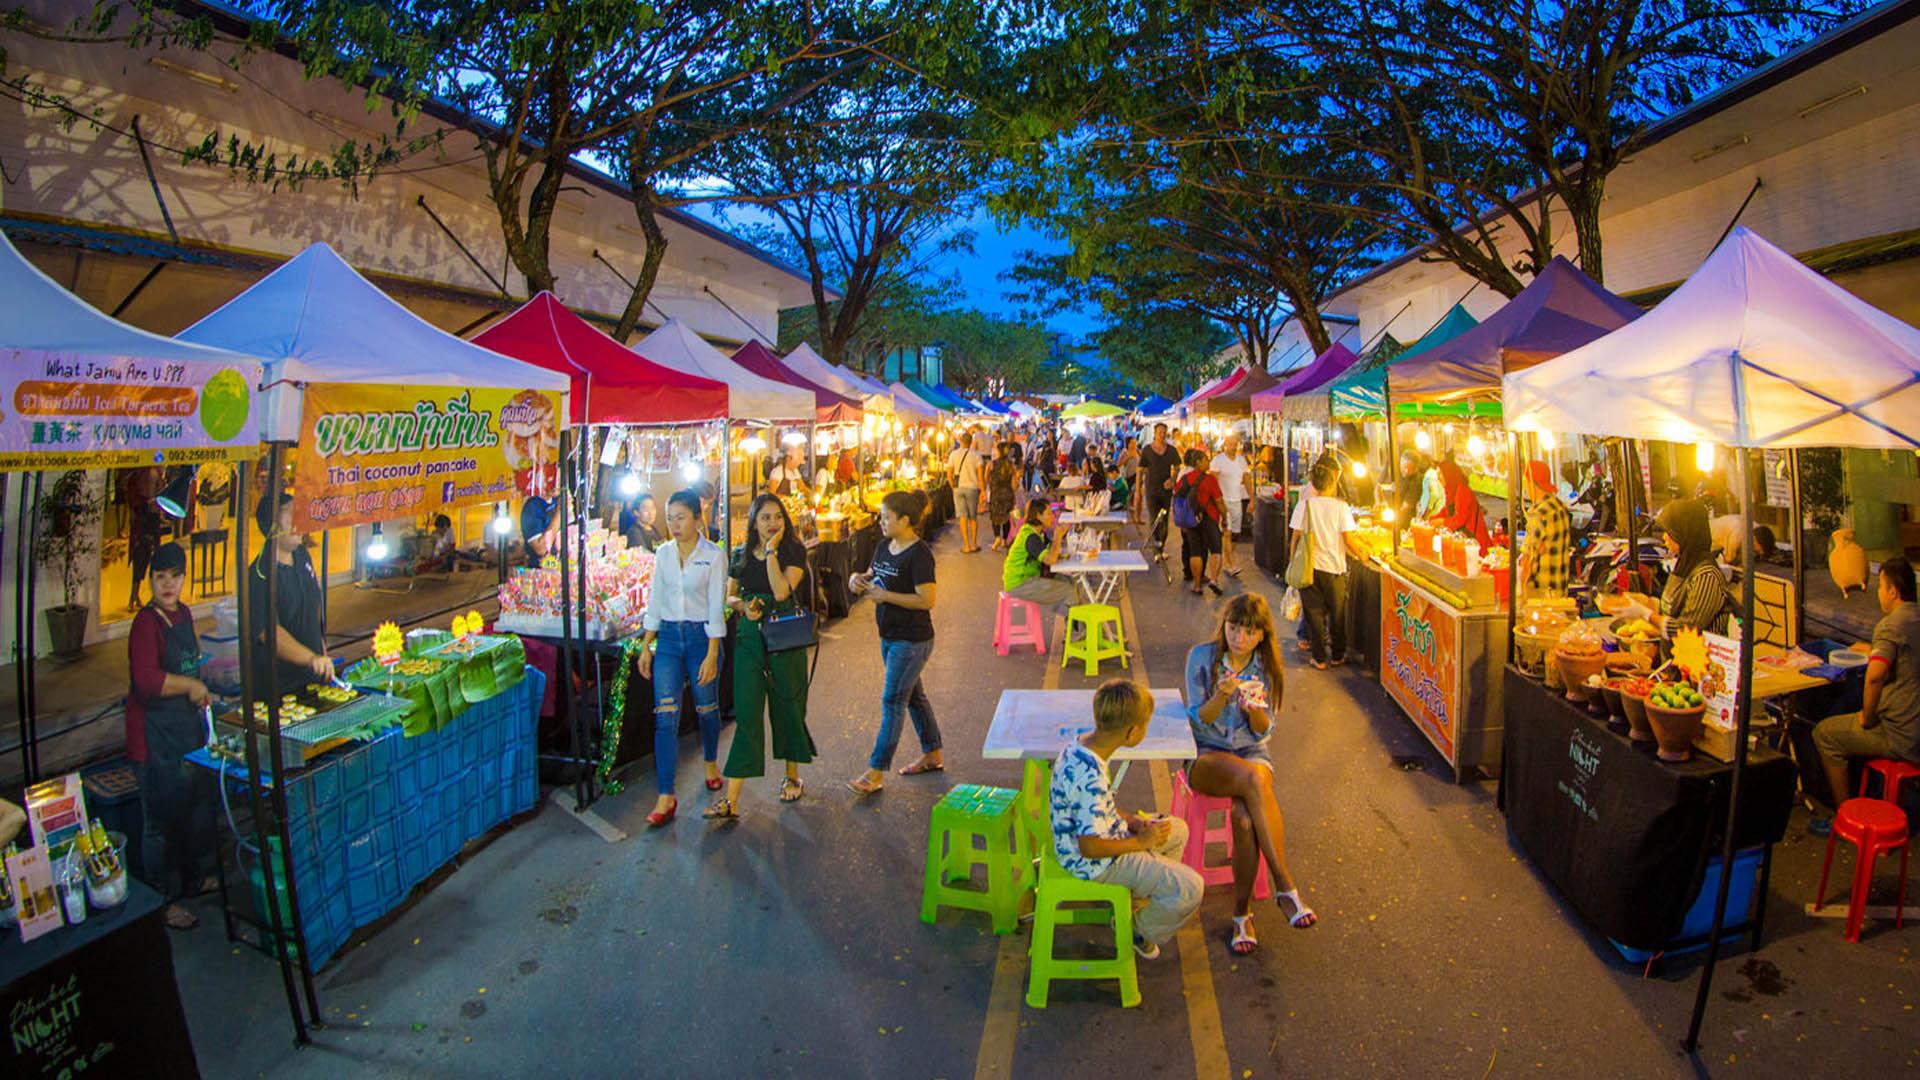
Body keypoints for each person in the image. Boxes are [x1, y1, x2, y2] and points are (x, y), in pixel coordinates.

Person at [1183, 594, 1317, 952]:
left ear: (1261, 636)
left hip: (1251, 751)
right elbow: (1199, 718)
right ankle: (1285, 885)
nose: (1239, 638)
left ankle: (1242, 916)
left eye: (1248, 631)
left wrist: (1253, 708)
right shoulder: (1202, 658)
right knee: (1253, 780)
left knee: (1244, 819)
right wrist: (1223, 696)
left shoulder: (1264, 667)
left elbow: (1262, 730)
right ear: (1224, 626)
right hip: (1207, 755)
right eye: (1233, 628)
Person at [1049, 680, 1203, 960]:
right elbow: (1090, 848)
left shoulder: (1081, 746)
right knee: (1191, 888)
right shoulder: (1091, 777)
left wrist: (1132, 821)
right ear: (1132, 732)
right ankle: (1135, 929)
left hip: (1102, 838)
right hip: (1093, 863)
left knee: (1177, 830)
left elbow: (1097, 809)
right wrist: (1139, 842)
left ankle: (1135, 903)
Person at [127, 542, 215, 930]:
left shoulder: (184, 614)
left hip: (182, 731)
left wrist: (202, 688)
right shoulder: (145, 624)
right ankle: (160, 903)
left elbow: (190, 665)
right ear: (150, 580)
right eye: (160, 577)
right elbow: (146, 683)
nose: (167, 584)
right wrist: (188, 686)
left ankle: (193, 881)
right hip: (152, 738)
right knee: (157, 823)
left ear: (184, 578)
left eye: (174, 576)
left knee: (186, 808)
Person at [710, 494, 816, 818]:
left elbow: (782, 591)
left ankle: (792, 776)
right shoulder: (740, 553)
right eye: (765, 518)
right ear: (754, 522)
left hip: (784, 639)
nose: (772, 523)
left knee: (788, 709)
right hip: (749, 642)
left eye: (777, 517)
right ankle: (732, 799)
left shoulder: (793, 551)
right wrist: (743, 606)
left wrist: (771, 553)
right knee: (747, 715)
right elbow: (729, 595)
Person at [635, 489, 727, 827]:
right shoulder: (663, 554)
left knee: (706, 705)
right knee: (665, 715)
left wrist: (713, 653)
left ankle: (711, 762)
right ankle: (665, 794)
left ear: (696, 515)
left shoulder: (713, 555)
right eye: (669, 517)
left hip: (702, 637)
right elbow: (655, 600)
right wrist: (647, 644)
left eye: (680, 517)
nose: (674, 524)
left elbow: (717, 606)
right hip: (670, 640)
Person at [848, 490, 942, 794]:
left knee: (893, 701)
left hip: (912, 640)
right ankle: (933, 753)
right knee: (914, 697)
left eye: (886, 517)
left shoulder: (920, 554)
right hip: (888, 635)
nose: (881, 522)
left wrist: (886, 596)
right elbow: (875, 575)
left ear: (905, 520)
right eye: (881, 516)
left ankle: (875, 771)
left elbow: (927, 599)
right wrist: (858, 579)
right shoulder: (884, 546)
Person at [1812, 557, 1920, 815]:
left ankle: (1846, 812)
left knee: (1825, 733)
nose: (1879, 594)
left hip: (1901, 735)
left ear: (1893, 591)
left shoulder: (1890, 625)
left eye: (1881, 587)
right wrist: (1873, 650)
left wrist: (1867, 717)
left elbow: (1874, 677)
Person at [248, 491, 332, 699]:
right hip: (281, 688)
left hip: (313, 679)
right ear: (272, 527)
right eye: (291, 516)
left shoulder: (302, 555)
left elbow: (313, 605)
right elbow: (268, 632)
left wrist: (321, 651)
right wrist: (310, 658)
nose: (300, 521)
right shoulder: (260, 573)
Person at [1291, 459, 1361, 670]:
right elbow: (1349, 540)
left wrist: (1292, 560)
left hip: (1309, 568)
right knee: (1337, 613)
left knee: (1314, 614)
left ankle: (1319, 659)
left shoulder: (1305, 505)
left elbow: (1295, 537)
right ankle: (1338, 655)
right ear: (1331, 483)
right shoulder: (1341, 507)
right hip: (1334, 569)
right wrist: (1362, 555)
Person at [1652, 498, 1731, 638]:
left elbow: (1686, 629)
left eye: (1669, 532)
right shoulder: (1683, 564)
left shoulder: (1707, 575)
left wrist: (1646, 615)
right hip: (1677, 656)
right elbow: (1670, 608)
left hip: (1701, 657)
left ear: (1684, 532)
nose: (1664, 537)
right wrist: (1645, 602)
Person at [1001, 497, 1078, 612]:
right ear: (1038, 516)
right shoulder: (1030, 536)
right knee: (1068, 591)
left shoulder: (1039, 533)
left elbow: (1051, 549)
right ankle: (1077, 628)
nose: (1052, 517)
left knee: (1070, 582)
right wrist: (1058, 536)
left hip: (1030, 578)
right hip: (1019, 584)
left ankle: (1069, 623)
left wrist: (1061, 537)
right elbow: (1051, 560)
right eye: (1048, 514)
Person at [1174, 448, 1226, 596]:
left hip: (1191, 519)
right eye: (1205, 460)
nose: (1208, 462)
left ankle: (1197, 585)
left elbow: (1177, 496)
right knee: (1215, 550)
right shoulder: (1209, 480)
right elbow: (1219, 501)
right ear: (1198, 462)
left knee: (1195, 552)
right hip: (1209, 518)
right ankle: (1214, 580)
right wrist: (1225, 517)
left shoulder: (1186, 478)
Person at [1518, 460, 1572, 599]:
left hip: (1540, 594)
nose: (1525, 488)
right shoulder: (1560, 507)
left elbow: (1528, 558)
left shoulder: (1539, 514)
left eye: (1525, 483)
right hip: (1560, 591)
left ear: (1531, 483)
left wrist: (1521, 592)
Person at [123, 466, 165, 611]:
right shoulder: (149, 474)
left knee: (143, 559)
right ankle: (134, 596)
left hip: (146, 521)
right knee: (142, 558)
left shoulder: (145, 474)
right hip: (146, 521)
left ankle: (135, 596)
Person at [1211, 433, 1251, 577]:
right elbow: (1213, 481)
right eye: (1231, 444)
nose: (1233, 447)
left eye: (1235, 444)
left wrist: (1252, 498)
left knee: (1235, 534)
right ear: (1225, 444)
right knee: (1226, 533)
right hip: (1223, 501)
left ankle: (1229, 558)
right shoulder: (1218, 460)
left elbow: (1246, 479)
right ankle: (1230, 563)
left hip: (1237, 500)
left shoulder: (1241, 461)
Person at [1432, 450, 1491, 547]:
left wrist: (1442, 522)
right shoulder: (1451, 491)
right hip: (1463, 540)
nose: (1438, 477)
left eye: (1440, 474)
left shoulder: (1462, 490)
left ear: (1448, 474)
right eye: (1437, 474)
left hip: (1475, 542)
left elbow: (1460, 519)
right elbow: (1447, 510)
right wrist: (1432, 520)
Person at [1139, 422, 1182, 554]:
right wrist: (1137, 491)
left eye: (1164, 432)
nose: (1162, 435)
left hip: (1166, 490)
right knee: (1153, 518)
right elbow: (1140, 470)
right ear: (1155, 433)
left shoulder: (1171, 450)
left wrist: (1173, 479)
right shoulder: (1147, 450)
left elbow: (1177, 466)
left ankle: (1161, 546)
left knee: (1164, 518)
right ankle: (1156, 548)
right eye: (1159, 432)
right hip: (1151, 488)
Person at [946, 431, 987, 554]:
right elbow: (980, 477)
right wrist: (983, 491)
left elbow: (949, 474)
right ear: (971, 442)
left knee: (962, 517)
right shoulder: (977, 455)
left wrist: (953, 486)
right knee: (972, 518)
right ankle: (974, 544)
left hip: (958, 488)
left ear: (961, 441)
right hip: (972, 488)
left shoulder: (953, 454)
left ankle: (966, 546)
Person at [1708, 513, 1778, 566]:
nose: (1758, 552)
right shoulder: (1737, 537)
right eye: (1759, 550)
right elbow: (1728, 561)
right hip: (1710, 538)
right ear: (1755, 540)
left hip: (1724, 530)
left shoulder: (1756, 528)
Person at [987, 442, 1019, 551]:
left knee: (995, 517)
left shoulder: (991, 464)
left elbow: (985, 478)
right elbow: (1015, 485)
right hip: (1007, 495)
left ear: (998, 451)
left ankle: (997, 538)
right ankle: (1005, 540)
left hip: (995, 494)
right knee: (1006, 518)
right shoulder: (1011, 465)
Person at [519, 493, 557, 567]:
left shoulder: (557, 500)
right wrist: (559, 512)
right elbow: (541, 549)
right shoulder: (532, 507)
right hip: (541, 569)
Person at [1117, 437, 1142, 522]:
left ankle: (1137, 517)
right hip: (1126, 477)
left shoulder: (1138, 451)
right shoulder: (1124, 452)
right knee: (1127, 497)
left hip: (1137, 476)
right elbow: (1118, 465)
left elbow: (1142, 462)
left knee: (1137, 496)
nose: (1134, 444)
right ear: (1128, 443)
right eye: (1132, 442)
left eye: (1135, 442)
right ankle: (1125, 516)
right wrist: (1127, 458)